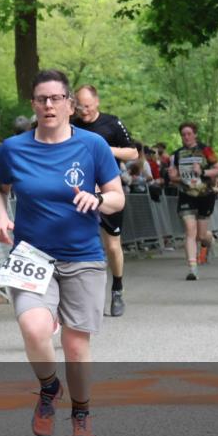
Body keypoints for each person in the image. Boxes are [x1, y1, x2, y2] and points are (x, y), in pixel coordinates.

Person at [0, 69, 125, 436]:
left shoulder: (92, 146)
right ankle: (49, 388)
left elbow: (117, 196)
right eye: (41, 99)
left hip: (82, 256)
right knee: (33, 328)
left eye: (56, 99)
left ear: (69, 105)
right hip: (31, 254)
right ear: (33, 104)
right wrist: (1, 217)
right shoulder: (13, 148)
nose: (48, 105)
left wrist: (97, 199)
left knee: (76, 346)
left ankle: (81, 410)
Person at [71, 85, 138, 316]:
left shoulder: (112, 123)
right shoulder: (71, 125)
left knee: (111, 245)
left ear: (97, 102)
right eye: (79, 106)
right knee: (78, 243)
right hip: (79, 193)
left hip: (108, 193)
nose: (84, 111)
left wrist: (105, 149)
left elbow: (133, 153)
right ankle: (81, 295)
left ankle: (117, 288)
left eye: (87, 106)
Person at [168, 122, 218, 281]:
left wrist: (203, 171)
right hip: (186, 195)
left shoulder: (206, 150)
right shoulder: (177, 154)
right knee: (190, 231)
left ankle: (209, 239)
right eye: (183, 134)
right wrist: (173, 176)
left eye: (189, 133)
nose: (186, 137)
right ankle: (193, 268)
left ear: (195, 134)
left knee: (201, 234)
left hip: (205, 195)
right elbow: (174, 177)